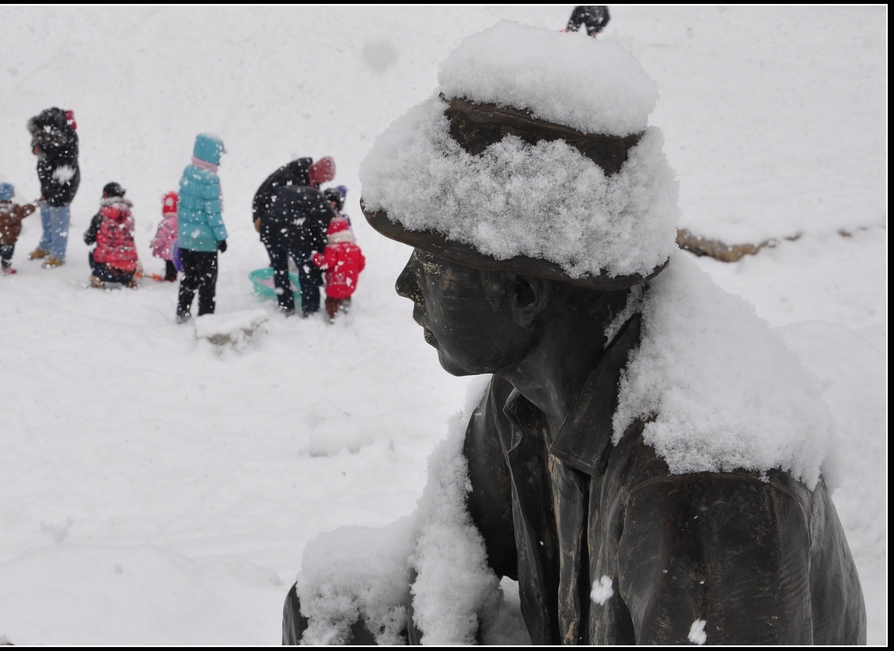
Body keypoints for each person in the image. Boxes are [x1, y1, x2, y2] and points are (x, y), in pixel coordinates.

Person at [283, 21, 866, 645]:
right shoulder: (526, 394)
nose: (403, 286)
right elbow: (451, 557)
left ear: (525, 292)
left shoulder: (704, 484)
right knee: (335, 612)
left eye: (431, 261)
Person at [259, 184, 335, 317]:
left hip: (269, 229)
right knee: (307, 270)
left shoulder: (300, 193)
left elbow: (263, 200)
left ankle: (286, 307)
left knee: (279, 269)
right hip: (293, 232)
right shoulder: (322, 205)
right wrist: (321, 251)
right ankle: (310, 310)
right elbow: (323, 232)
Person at [176, 133, 228, 323]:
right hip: (205, 242)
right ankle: (206, 318)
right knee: (207, 282)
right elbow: (213, 213)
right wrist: (221, 237)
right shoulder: (210, 179)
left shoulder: (188, 172)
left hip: (187, 240)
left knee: (189, 277)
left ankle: (182, 312)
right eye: (218, 154)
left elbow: (182, 207)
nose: (220, 159)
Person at [26, 107, 80, 268]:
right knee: (46, 215)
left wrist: (49, 193)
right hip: (47, 183)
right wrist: (36, 147)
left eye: (42, 137)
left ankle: (58, 253)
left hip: (63, 186)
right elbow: (37, 140)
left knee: (59, 218)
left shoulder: (68, 139)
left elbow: (64, 171)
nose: (39, 139)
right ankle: (45, 245)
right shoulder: (44, 132)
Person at [251, 155, 335, 234]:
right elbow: (268, 191)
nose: (324, 182)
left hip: (276, 216)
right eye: (324, 178)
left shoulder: (309, 179)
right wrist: (259, 215)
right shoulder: (293, 176)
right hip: (268, 214)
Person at [84, 182, 138, 289]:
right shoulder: (128, 216)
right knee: (126, 248)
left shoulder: (101, 216)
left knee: (92, 253)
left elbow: (88, 240)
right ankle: (128, 279)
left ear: (105, 195)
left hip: (107, 271)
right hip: (129, 270)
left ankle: (98, 278)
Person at [312, 217, 365, 322]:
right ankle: (346, 305)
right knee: (346, 294)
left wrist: (315, 257)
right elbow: (361, 265)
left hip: (335, 285)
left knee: (332, 300)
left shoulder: (332, 249)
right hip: (350, 283)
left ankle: (331, 315)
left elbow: (325, 263)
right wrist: (352, 271)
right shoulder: (355, 248)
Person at [0, 182, 36, 275]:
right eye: (12, 192)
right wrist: (33, 205)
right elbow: (23, 212)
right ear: (8, 194)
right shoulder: (13, 208)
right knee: (7, 252)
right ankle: (5, 266)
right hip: (9, 237)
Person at [150, 191, 180, 282]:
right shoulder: (180, 221)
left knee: (169, 263)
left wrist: (155, 242)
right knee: (173, 264)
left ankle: (169, 277)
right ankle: (173, 276)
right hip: (176, 248)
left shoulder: (167, 222)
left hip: (169, 249)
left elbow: (162, 236)